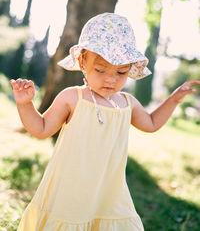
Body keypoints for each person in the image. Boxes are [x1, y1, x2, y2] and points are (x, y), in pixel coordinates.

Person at [10, 13, 200, 231]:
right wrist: (25, 105)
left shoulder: (127, 103)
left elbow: (151, 123)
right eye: (100, 70)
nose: (110, 79)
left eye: (121, 72)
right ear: (82, 62)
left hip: (110, 192)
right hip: (71, 190)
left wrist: (173, 99)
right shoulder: (73, 97)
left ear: (130, 68)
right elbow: (41, 129)